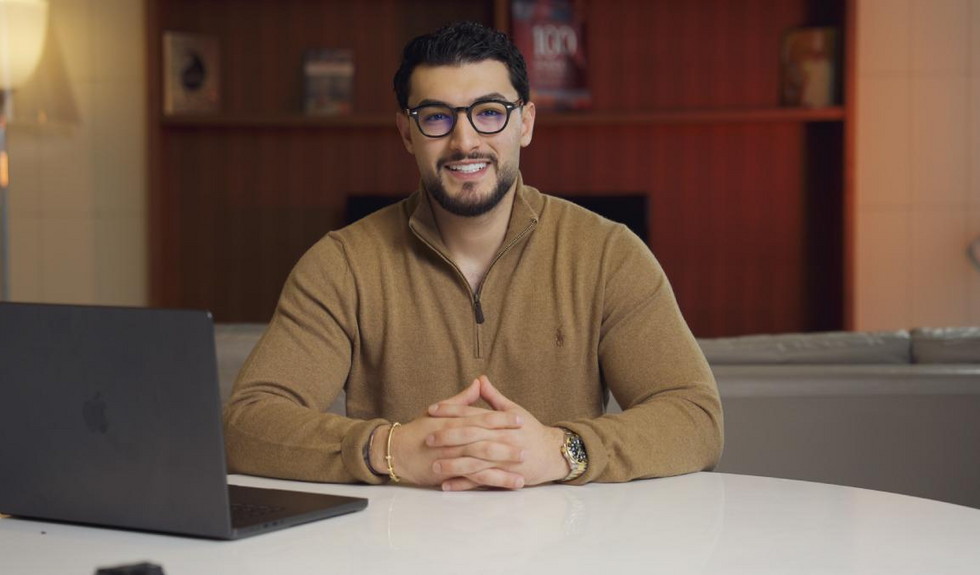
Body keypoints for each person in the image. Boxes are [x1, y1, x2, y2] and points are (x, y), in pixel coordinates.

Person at [223, 21, 722, 491]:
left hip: (568, 539)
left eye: (489, 112)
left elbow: (695, 417)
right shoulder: (342, 264)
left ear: (525, 122)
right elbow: (246, 424)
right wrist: (387, 449)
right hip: (392, 540)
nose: (464, 142)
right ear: (406, 133)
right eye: (437, 117)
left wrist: (563, 449)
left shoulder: (608, 254)